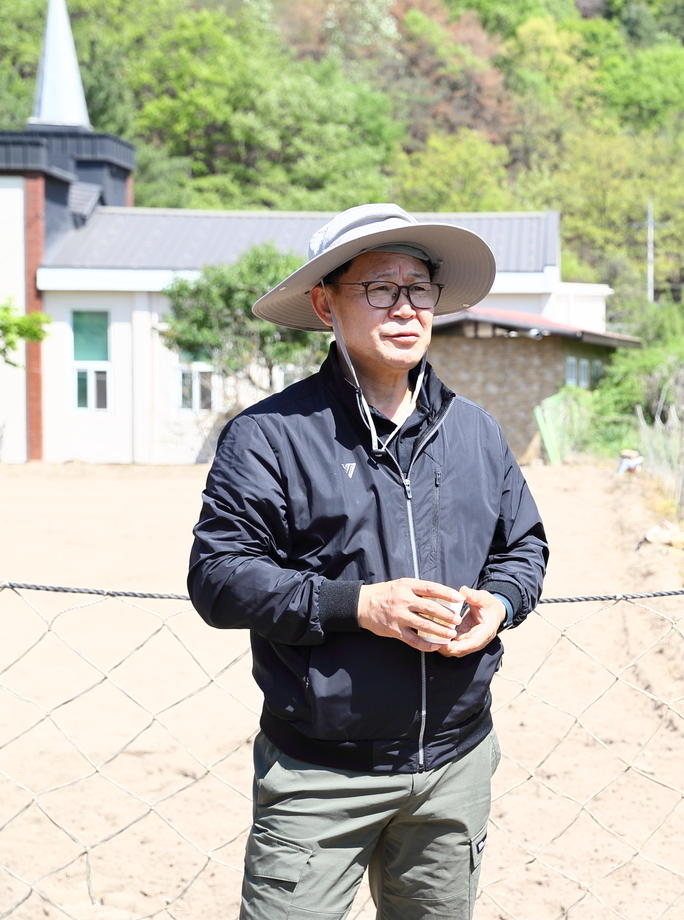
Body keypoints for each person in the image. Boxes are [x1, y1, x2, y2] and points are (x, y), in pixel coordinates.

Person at [188, 203, 548, 919]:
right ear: (326, 302)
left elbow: (524, 547)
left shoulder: (475, 431)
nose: (407, 308)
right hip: (319, 773)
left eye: (420, 289)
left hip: (455, 764)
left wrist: (500, 604)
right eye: (381, 288)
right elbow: (219, 578)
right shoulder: (268, 437)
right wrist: (357, 604)